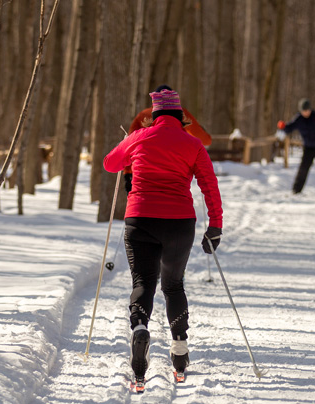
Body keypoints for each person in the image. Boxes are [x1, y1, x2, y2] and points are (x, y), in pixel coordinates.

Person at [103, 89, 223, 386]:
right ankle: (180, 349)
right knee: (173, 285)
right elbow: (209, 184)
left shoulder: (139, 137)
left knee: (143, 282)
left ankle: (140, 326)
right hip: (179, 222)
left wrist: (130, 143)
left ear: (154, 115)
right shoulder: (193, 143)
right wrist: (215, 225)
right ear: (180, 117)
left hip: (140, 218)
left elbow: (109, 164)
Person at [123, 85, 213, 194]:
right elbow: (203, 139)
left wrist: (127, 172)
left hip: (145, 171)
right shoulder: (181, 114)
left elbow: (129, 144)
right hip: (175, 169)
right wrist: (206, 136)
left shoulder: (144, 115)